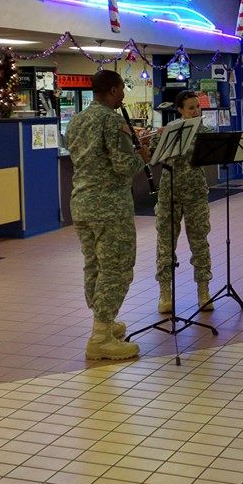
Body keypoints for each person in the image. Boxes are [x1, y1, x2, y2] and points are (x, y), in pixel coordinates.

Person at [65, 70, 148, 361]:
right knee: (117, 267)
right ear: (113, 90)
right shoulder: (112, 120)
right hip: (109, 206)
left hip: (81, 203)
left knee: (95, 264)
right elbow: (124, 165)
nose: (123, 95)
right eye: (122, 89)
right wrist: (144, 156)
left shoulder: (77, 120)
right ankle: (100, 336)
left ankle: (104, 321)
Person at [154, 90, 214, 315]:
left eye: (197, 107)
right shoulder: (170, 132)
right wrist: (158, 138)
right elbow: (151, 154)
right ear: (180, 110)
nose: (195, 111)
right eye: (190, 108)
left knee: (199, 242)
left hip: (196, 194)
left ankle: (204, 292)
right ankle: (165, 294)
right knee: (165, 244)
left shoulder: (204, 132)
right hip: (169, 194)